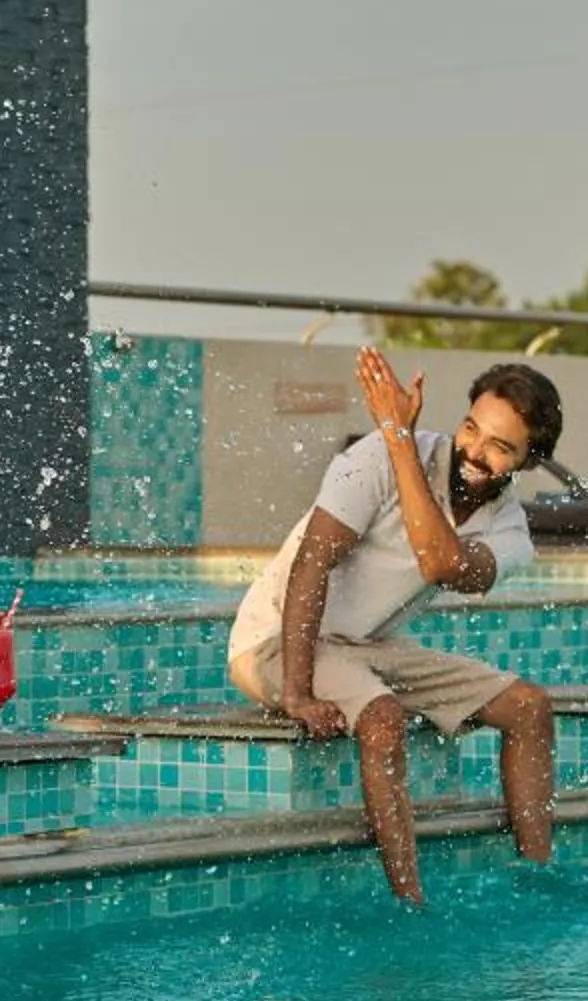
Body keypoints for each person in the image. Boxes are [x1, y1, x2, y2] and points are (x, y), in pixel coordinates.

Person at [228, 346, 561, 901]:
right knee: (382, 717)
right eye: (471, 428)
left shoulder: (509, 530)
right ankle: (411, 902)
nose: (475, 451)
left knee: (530, 708)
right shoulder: (374, 457)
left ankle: (538, 880)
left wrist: (399, 440)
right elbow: (312, 561)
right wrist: (296, 692)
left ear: (528, 462)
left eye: (500, 446)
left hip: (363, 646)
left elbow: (442, 563)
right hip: (273, 639)